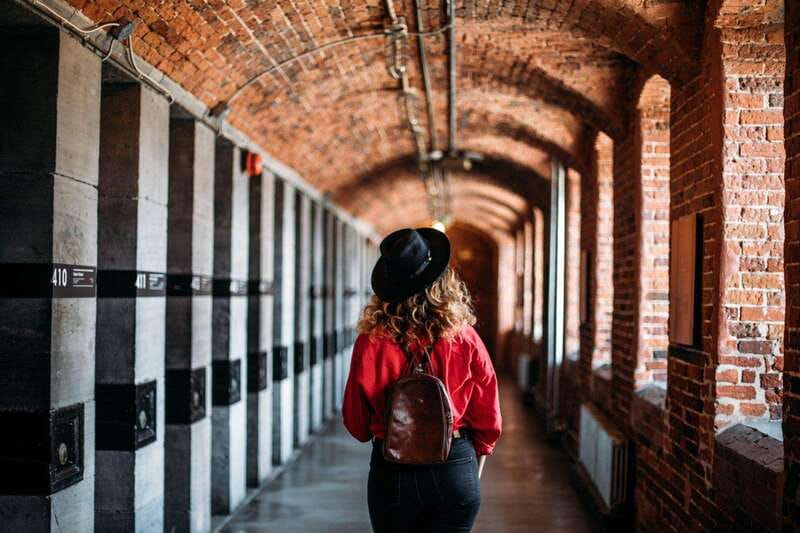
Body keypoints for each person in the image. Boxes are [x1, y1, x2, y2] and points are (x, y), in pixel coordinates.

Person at [342, 227, 502, 533]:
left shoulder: (371, 341)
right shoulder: (464, 337)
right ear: (441, 284)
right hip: (454, 464)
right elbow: (488, 416)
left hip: (392, 467)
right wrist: (470, 466)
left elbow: (356, 423)